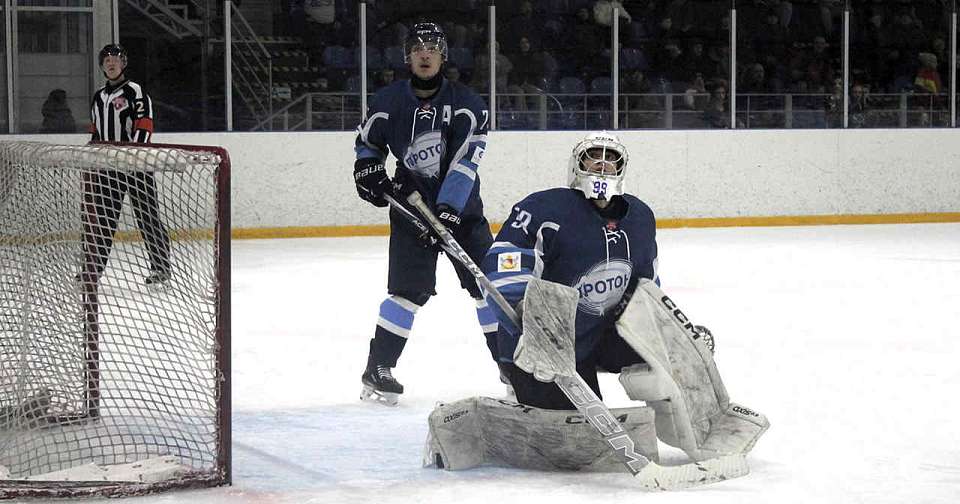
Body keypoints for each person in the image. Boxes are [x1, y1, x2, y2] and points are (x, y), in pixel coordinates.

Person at [352, 23, 496, 406]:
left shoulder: (469, 105)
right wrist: (367, 170)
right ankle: (378, 368)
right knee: (406, 292)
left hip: (462, 212)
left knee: (491, 287)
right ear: (408, 56)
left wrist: (448, 211)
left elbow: (465, 166)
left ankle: (511, 368)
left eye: (432, 47)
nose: (425, 53)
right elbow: (367, 145)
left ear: (443, 55)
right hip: (410, 207)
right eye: (417, 47)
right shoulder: (387, 101)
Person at [480, 131, 657, 410]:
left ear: (621, 168)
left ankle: (692, 421)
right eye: (593, 157)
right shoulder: (544, 208)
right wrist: (530, 326)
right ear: (577, 165)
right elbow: (504, 266)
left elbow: (648, 289)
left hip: (601, 335)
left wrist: (668, 332)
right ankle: (518, 380)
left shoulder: (640, 217)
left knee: (666, 352)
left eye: (611, 158)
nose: (602, 165)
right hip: (544, 343)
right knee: (577, 424)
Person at [80, 43, 170, 286]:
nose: (111, 63)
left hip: (136, 168)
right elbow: (95, 131)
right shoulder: (98, 97)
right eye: (106, 60)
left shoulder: (135, 91)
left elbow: (144, 124)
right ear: (101, 66)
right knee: (103, 220)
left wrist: (134, 155)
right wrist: (94, 156)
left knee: (147, 217)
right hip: (108, 169)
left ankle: (161, 269)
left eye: (115, 59)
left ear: (124, 63)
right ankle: (93, 270)